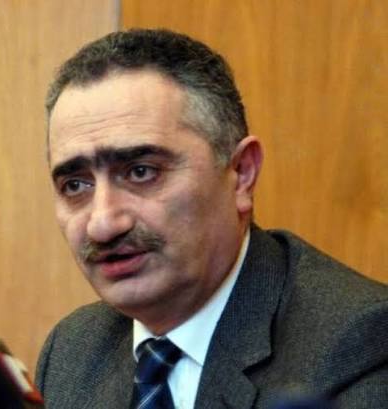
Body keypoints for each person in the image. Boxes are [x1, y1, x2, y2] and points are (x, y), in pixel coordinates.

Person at [35, 29, 388, 409]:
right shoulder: (73, 352)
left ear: (241, 173)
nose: (103, 224)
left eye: (141, 172)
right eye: (75, 185)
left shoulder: (360, 345)